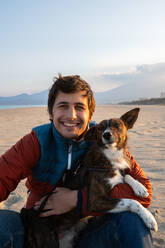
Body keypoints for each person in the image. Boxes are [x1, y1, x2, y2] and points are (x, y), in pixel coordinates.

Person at [0, 74, 153, 248]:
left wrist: (79, 199)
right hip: (36, 229)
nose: (71, 115)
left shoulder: (105, 139)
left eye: (79, 107)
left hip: (85, 232)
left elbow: (145, 191)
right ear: (51, 112)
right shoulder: (36, 141)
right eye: (63, 106)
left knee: (132, 220)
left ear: (90, 114)